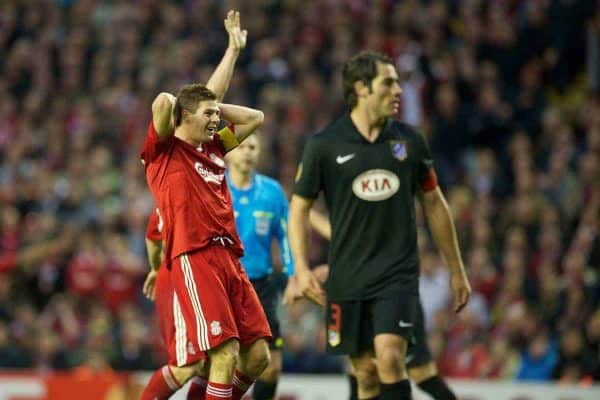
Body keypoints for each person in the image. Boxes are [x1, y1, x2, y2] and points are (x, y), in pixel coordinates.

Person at [288, 51, 471, 400]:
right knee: (366, 373)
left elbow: (434, 202)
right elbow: (299, 208)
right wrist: (300, 267)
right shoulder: (324, 145)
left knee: (389, 358)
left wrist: (456, 269)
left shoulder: (410, 141)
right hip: (348, 276)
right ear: (361, 88)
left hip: (396, 274)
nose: (398, 90)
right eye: (388, 82)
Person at [140, 10, 272, 400]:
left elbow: (255, 117)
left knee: (257, 358)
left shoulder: (216, 148)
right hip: (194, 256)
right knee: (222, 354)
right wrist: (192, 106)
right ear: (185, 117)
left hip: (231, 258)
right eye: (209, 114)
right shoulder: (164, 153)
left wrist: (231, 54)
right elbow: (164, 103)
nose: (217, 120)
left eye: (217, 114)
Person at [307, 210, 459, 400]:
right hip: (359, 296)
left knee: (420, 373)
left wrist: (304, 208)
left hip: (394, 298)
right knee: (361, 370)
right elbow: (353, 246)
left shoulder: (389, 210)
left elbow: (358, 243)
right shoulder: (356, 210)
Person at [225, 134, 294, 400]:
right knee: (224, 363)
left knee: (271, 367)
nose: (247, 152)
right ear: (228, 152)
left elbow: (287, 236)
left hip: (260, 287)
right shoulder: (215, 188)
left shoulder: (272, 192)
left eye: (253, 146)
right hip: (224, 286)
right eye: (241, 146)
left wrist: (294, 275)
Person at [143, 208, 209, 398]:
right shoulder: (181, 195)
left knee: (212, 362)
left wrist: (156, 268)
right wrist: (157, 269)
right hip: (181, 277)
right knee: (188, 365)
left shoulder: (211, 193)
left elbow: (152, 235)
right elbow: (153, 235)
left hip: (202, 279)